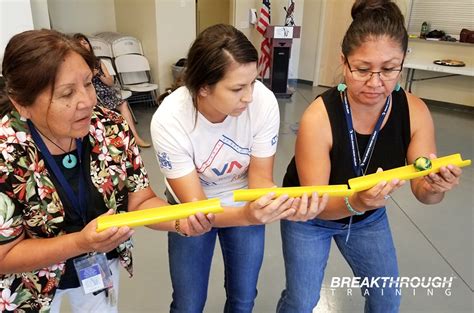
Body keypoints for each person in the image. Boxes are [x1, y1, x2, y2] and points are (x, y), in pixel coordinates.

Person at [0, 29, 214, 313]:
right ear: (21, 103)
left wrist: (180, 222)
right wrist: (80, 242)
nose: (87, 101)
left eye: (88, 83)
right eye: (67, 93)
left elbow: (140, 201)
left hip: (98, 270)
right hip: (27, 285)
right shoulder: (7, 153)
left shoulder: (110, 128)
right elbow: (6, 254)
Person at [276, 1, 463, 312]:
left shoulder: (414, 112)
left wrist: (434, 187)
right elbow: (317, 204)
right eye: (362, 69)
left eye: (389, 69)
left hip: (368, 218)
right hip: (308, 218)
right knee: (301, 300)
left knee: (386, 298)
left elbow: (424, 192)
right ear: (344, 62)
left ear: (403, 62)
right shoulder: (318, 118)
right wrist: (359, 201)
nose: (376, 83)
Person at [150, 24, 328, 313]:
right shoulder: (170, 120)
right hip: (193, 207)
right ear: (203, 88)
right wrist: (247, 214)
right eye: (236, 88)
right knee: (188, 303)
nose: (248, 97)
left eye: (252, 83)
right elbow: (197, 208)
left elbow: (259, 177)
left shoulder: (263, 102)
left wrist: (282, 204)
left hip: (243, 198)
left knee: (244, 298)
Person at [73, 33, 151, 148]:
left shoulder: (98, 62)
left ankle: (135, 137)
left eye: (85, 42)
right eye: (80, 43)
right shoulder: (75, 63)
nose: (84, 45)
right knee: (99, 111)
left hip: (105, 91)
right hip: (90, 94)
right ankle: (112, 142)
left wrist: (99, 74)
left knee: (123, 104)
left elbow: (110, 81)